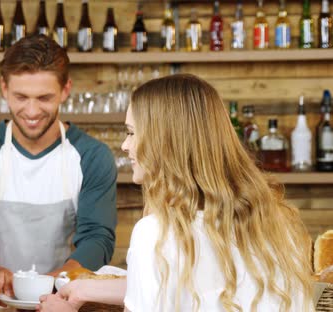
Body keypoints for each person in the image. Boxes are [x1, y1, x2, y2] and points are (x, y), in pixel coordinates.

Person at [38, 74, 314, 311]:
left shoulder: (155, 233)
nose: (125, 145)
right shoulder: (277, 223)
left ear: (164, 143)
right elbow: (204, 287)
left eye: (132, 133)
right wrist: (86, 289)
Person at [0, 35, 117, 303]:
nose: (32, 110)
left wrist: (53, 283)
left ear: (65, 90)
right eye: (21, 97)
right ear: (4, 88)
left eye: (44, 97)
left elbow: (97, 238)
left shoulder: (92, 157)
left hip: (61, 299)